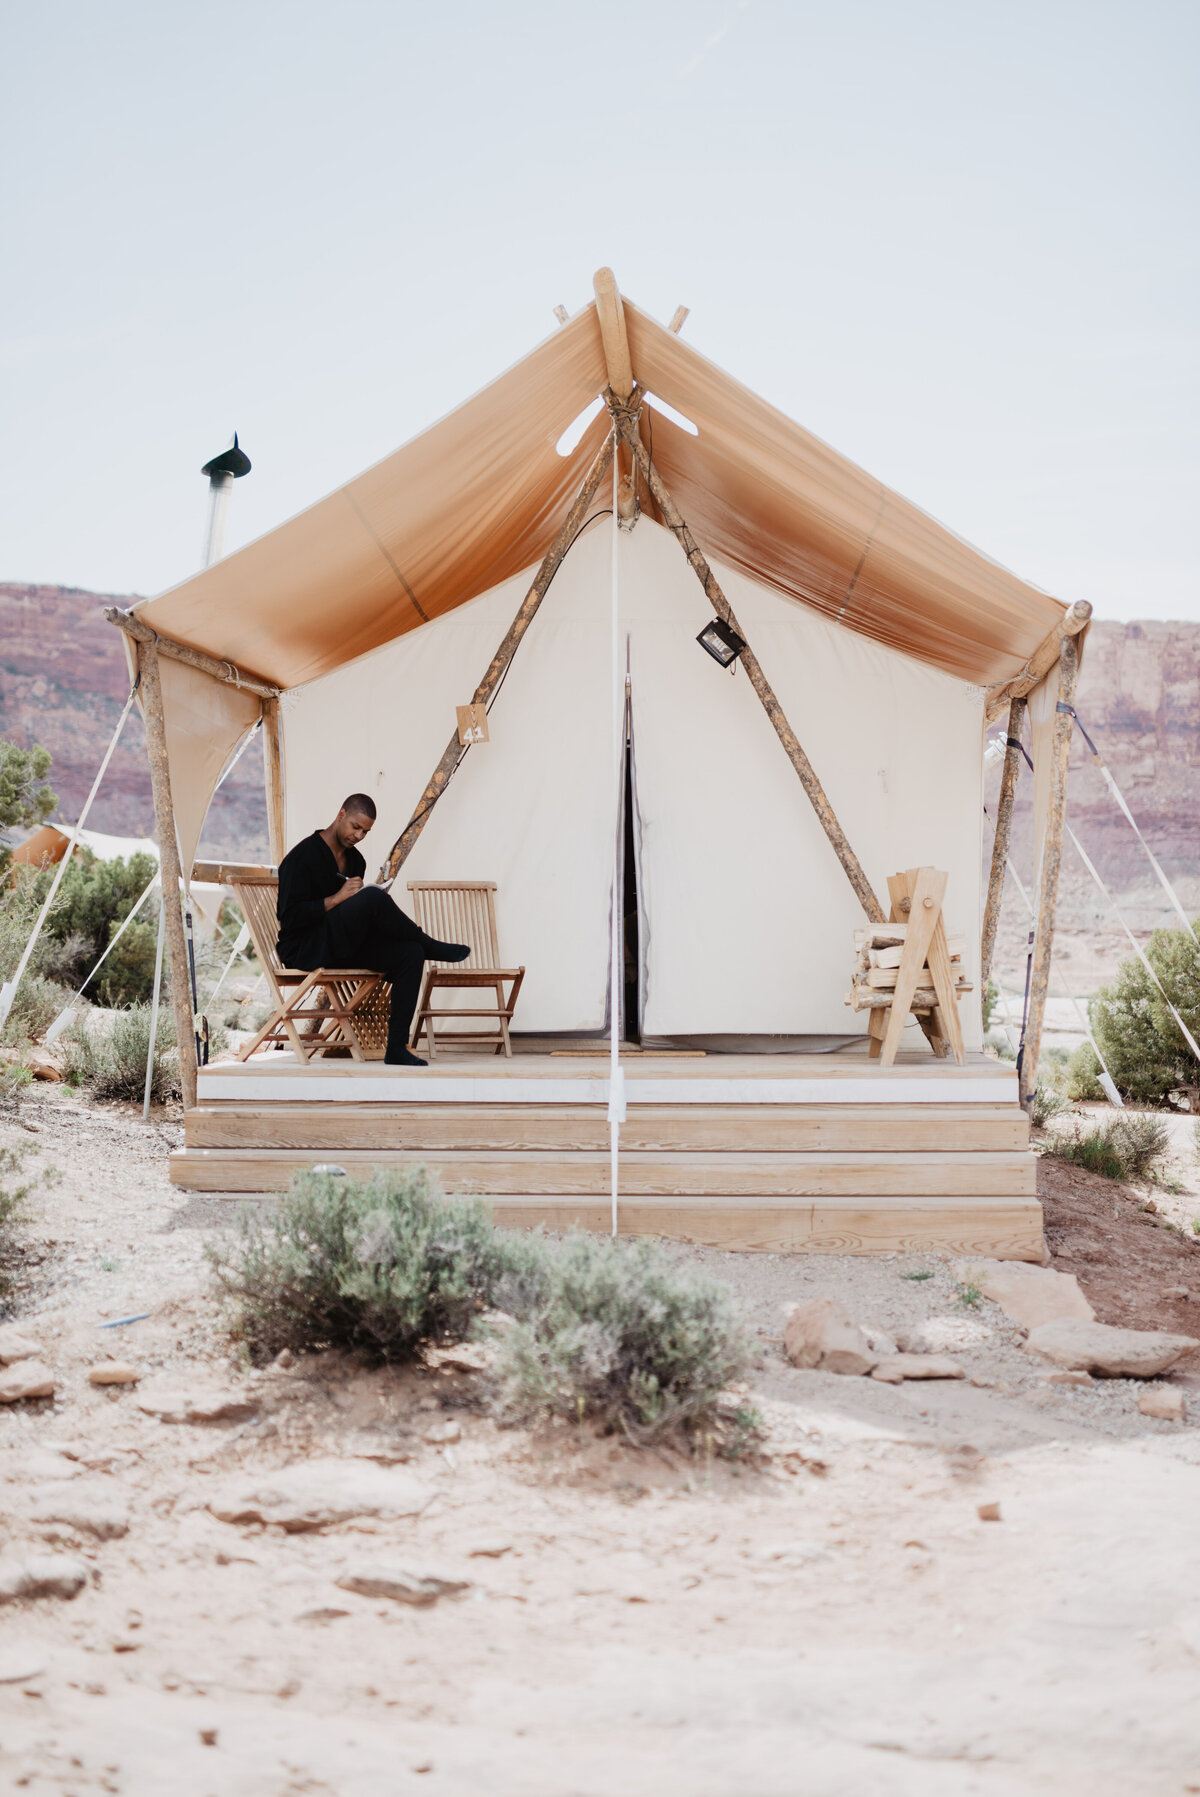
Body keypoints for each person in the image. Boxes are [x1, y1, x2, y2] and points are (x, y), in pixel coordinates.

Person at [275, 793, 468, 1067]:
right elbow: (290, 918)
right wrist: (336, 899)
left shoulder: (356, 861)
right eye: (355, 826)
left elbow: (352, 919)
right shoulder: (302, 857)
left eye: (365, 831)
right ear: (341, 814)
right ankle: (429, 944)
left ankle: (397, 1048)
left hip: (341, 946)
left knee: (409, 953)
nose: (359, 835)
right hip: (305, 947)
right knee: (373, 899)